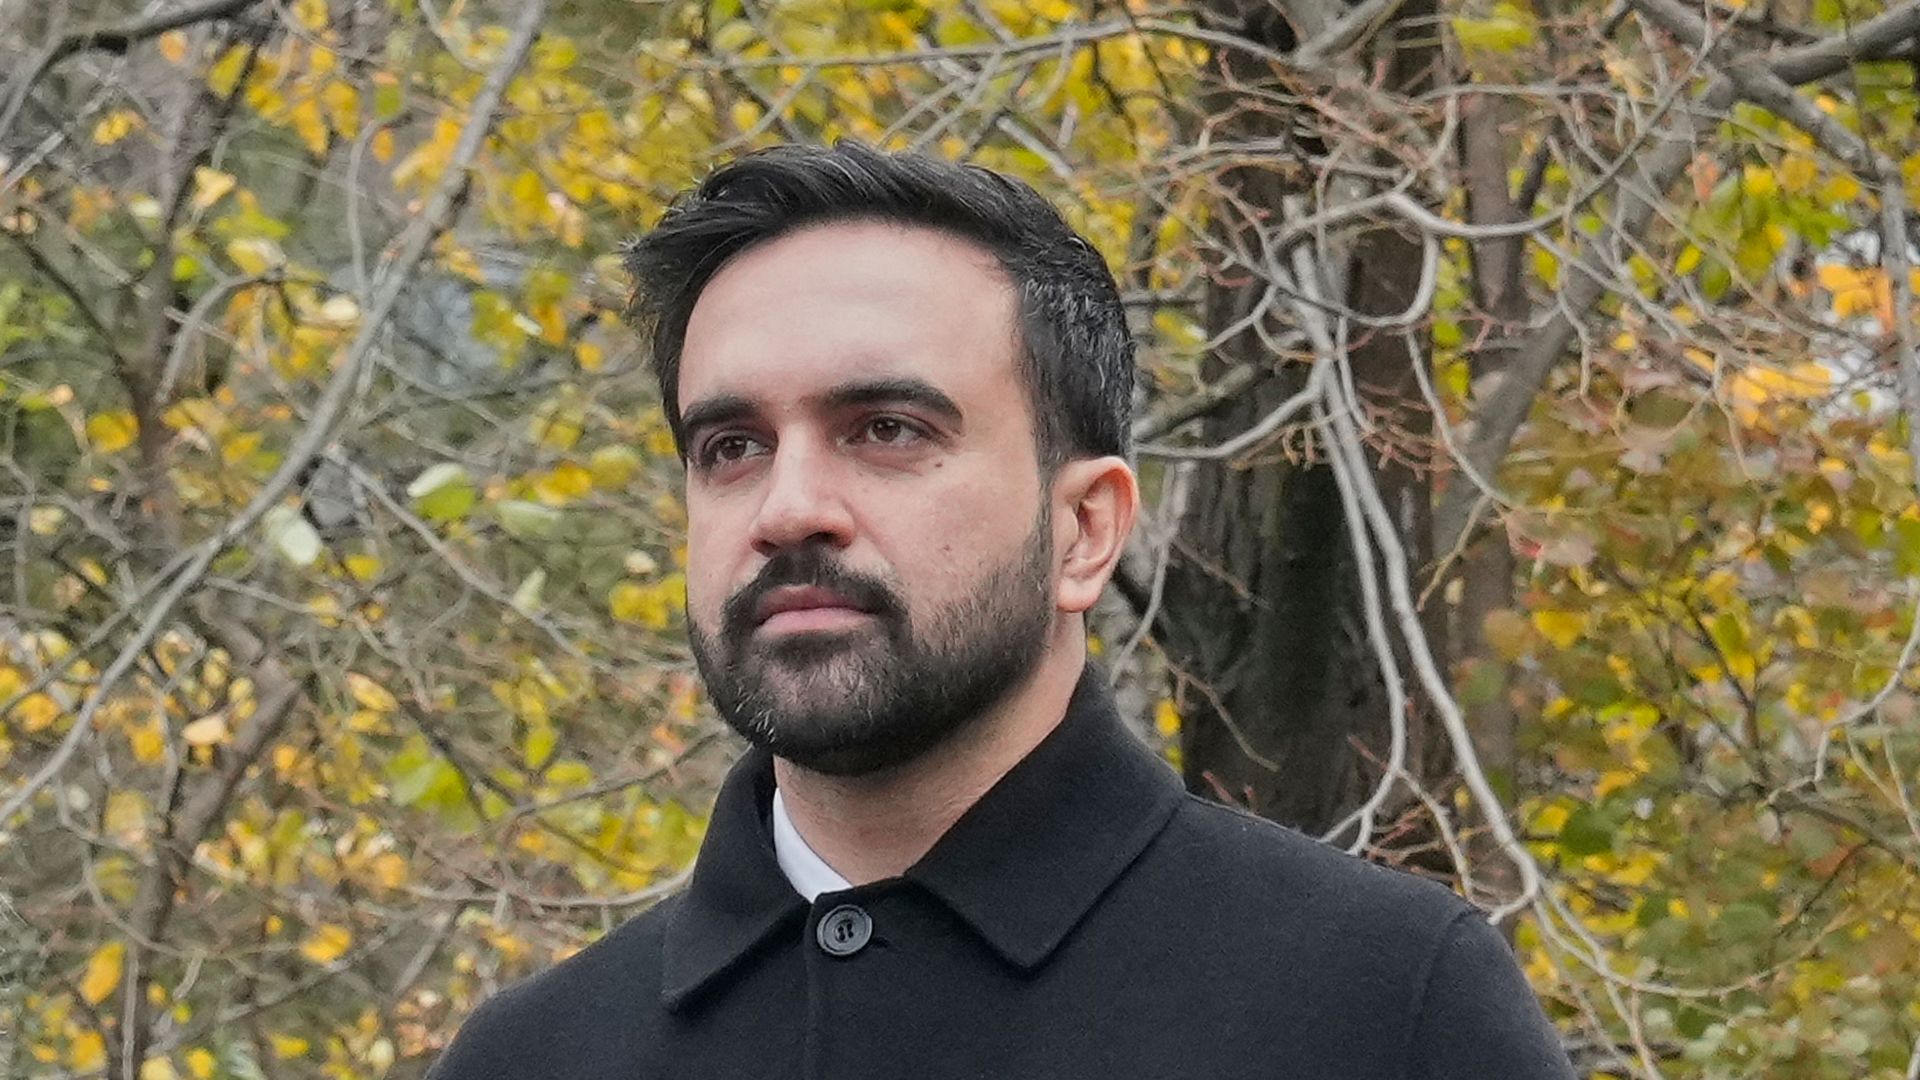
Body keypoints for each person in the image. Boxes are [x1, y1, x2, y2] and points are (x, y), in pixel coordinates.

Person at [425, 141, 1578, 1079]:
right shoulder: (533, 1056)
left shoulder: (1383, 1008)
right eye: (731, 447)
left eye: (887, 430)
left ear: (1084, 529)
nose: (788, 508)